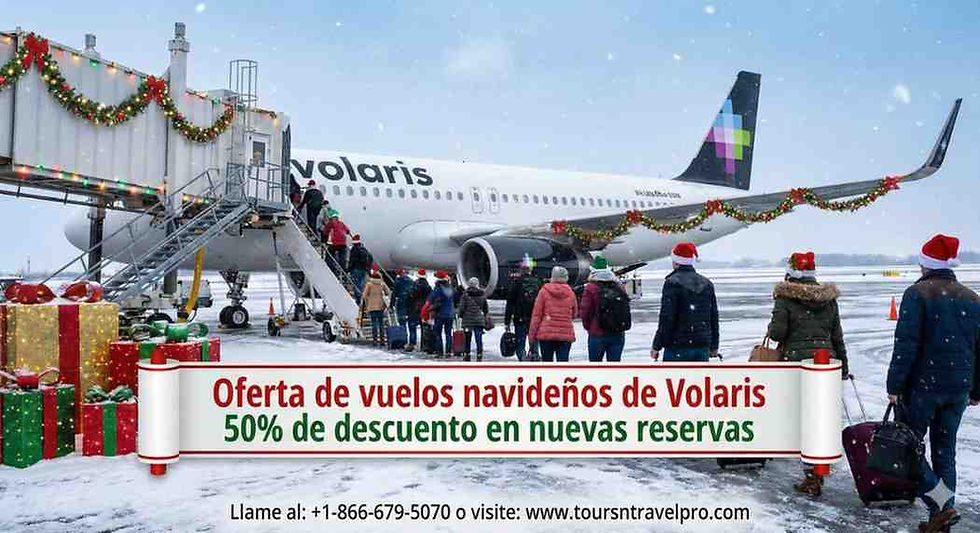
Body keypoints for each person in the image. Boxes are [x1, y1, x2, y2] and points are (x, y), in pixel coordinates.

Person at [885, 234, 980, 532]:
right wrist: (976, 389)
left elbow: (906, 345)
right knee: (945, 450)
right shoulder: (971, 298)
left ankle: (940, 503)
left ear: (926, 264)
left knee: (906, 447)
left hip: (924, 387)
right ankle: (942, 516)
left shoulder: (917, 294)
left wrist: (895, 385)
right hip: (958, 387)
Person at [763, 251, 848, 497]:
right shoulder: (829, 299)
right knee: (820, 416)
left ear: (791, 273)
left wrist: (773, 322)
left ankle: (810, 474)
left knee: (801, 417)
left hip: (797, 363)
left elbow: (777, 334)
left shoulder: (785, 298)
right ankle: (817, 467)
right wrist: (844, 366)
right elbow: (837, 335)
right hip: (826, 362)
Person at [650, 243, 719, 362]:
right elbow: (713, 316)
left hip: (677, 345)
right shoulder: (707, 283)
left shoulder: (672, 283)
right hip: (701, 344)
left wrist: (657, 345)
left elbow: (667, 318)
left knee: (675, 379)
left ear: (676, 262)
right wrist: (714, 345)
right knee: (698, 380)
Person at [580, 255, 630, 362]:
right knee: (614, 367)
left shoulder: (590, 288)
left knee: (596, 367)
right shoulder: (618, 286)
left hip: (597, 332)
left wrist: (589, 326)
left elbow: (585, 311)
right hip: (617, 332)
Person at [528, 266, 578, 362]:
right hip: (565, 335)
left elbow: (536, 316)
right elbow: (574, 314)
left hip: (546, 334)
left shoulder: (544, 291)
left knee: (547, 364)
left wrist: (531, 336)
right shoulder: (570, 293)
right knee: (562, 365)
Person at [504, 264, 542, 361]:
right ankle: (534, 356)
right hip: (534, 318)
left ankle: (522, 359)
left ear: (521, 270)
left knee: (520, 343)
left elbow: (510, 302)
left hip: (520, 317)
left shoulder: (516, 283)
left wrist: (507, 321)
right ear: (530, 270)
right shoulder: (538, 282)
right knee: (533, 341)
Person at [457, 277, 490, 361]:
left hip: (468, 321)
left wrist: (460, 315)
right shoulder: (482, 295)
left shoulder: (465, 295)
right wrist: (485, 316)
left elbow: (462, 308)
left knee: (468, 338)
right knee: (478, 337)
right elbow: (485, 308)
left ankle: (467, 353)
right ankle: (479, 353)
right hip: (479, 320)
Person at [426, 271, 456, 357]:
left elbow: (431, 299)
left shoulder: (438, 289)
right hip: (450, 314)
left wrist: (429, 308)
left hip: (440, 314)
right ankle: (448, 352)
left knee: (438, 333)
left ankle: (440, 352)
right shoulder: (450, 288)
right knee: (448, 333)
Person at [359, 267, 391, 346]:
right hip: (381, 306)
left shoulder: (369, 284)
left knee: (374, 323)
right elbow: (388, 292)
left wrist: (367, 302)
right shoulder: (382, 284)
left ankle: (375, 340)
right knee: (381, 323)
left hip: (372, 306)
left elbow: (364, 295)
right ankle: (382, 340)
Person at [405, 269, 432, 351]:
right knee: (424, 327)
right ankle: (424, 345)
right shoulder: (428, 287)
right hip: (425, 309)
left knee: (412, 326)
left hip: (414, 309)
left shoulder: (415, 285)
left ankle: (412, 344)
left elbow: (410, 296)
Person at [321, 210, 351, 275]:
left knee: (329, 255)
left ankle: (330, 268)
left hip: (334, 243)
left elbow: (325, 231)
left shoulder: (330, 223)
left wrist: (324, 240)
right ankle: (343, 271)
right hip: (343, 243)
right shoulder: (341, 223)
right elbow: (348, 231)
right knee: (342, 258)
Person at [347, 234, 373, 302]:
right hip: (364, 270)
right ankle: (362, 297)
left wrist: (348, 269)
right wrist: (368, 268)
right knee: (361, 284)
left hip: (356, 269)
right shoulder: (364, 249)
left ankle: (359, 299)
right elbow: (370, 257)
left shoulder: (354, 250)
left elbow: (352, 260)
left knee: (356, 284)